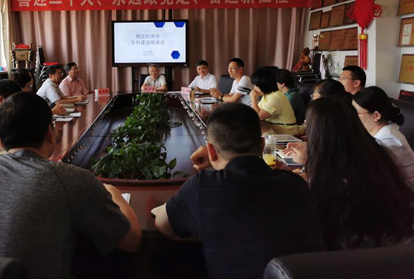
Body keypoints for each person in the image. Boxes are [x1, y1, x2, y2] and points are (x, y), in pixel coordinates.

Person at [0, 92, 141, 278]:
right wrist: (114, 193)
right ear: (50, 132)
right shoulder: (71, 180)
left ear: (0, 141)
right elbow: (131, 241)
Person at [154, 103, 324, 279]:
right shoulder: (296, 184)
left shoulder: (203, 186)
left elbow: (163, 225)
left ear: (211, 151)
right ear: (262, 145)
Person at [286, 97, 414, 250]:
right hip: (395, 247)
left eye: (308, 124)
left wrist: (308, 166)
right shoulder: (373, 153)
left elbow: (321, 224)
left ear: (319, 133)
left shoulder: (338, 181)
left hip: (365, 254)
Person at [353, 87, 414, 188]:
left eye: (357, 112)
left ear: (376, 115)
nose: (352, 116)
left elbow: (371, 174)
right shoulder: (378, 131)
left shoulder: (387, 140)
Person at [249, 69, 298, 135]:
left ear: (264, 85)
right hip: (275, 129)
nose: (254, 88)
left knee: (254, 125)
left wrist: (253, 98)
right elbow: (254, 113)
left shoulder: (276, 97)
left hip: (286, 132)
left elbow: (257, 117)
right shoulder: (267, 96)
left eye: (256, 86)